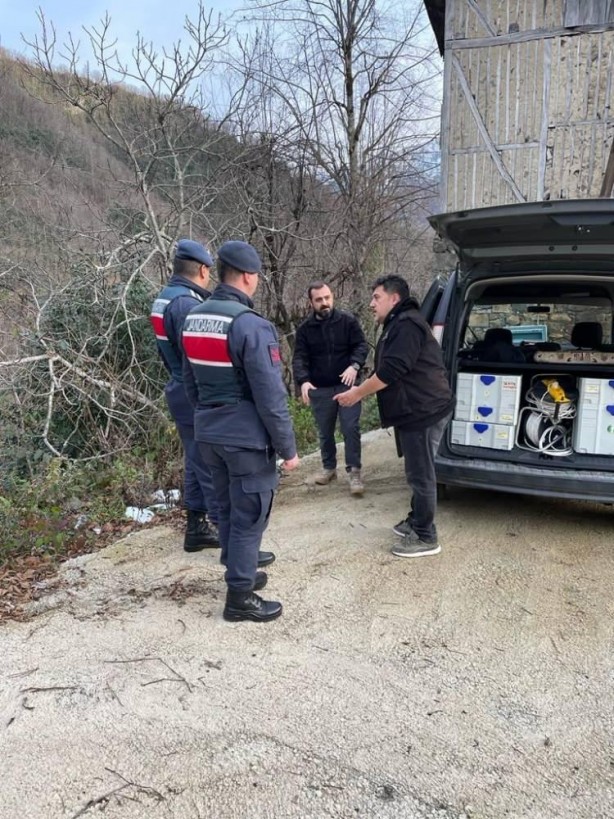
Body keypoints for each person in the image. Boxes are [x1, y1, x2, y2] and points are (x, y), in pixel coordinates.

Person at [182, 240, 299, 622]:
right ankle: (240, 599)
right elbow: (270, 395)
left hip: (209, 434)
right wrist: (288, 448)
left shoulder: (195, 318)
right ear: (249, 276)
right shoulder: (250, 325)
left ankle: (240, 571)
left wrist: (205, 418)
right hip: (245, 440)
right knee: (251, 515)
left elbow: (189, 382)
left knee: (229, 509)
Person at [335, 274, 454, 558]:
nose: (371, 304)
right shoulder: (399, 323)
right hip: (415, 410)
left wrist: (357, 394)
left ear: (394, 298)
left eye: (376, 297)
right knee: (416, 471)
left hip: (423, 410)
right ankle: (417, 519)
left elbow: (390, 371)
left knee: (421, 474)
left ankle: (426, 536)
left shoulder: (407, 324)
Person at [150, 239, 219, 552]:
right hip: (193, 392)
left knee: (195, 458)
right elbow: (195, 358)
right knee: (210, 460)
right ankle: (227, 531)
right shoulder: (187, 304)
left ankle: (196, 528)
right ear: (203, 269)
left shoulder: (165, 298)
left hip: (176, 387)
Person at [292, 282, 368, 495]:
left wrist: (355, 365)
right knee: (325, 432)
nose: (324, 303)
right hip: (320, 388)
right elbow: (299, 357)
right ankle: (329, 468)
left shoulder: (347, 321)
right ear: (311, 302)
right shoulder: (305, 329)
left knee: (350, 428)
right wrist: (303, 380)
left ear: (332, 297)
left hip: (347, 386)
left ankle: (354, 472)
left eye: (327, 297)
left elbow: (361, 345)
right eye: (319, 299)